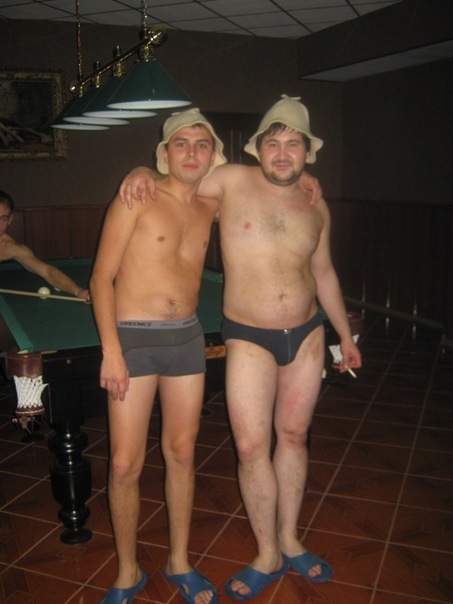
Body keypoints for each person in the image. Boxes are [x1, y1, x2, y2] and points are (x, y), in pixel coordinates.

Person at [120, 95, 362, 601]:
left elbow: (324, 273)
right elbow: (177, 179)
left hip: (308, 333)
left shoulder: (316, 203)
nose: (282, 153)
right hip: (249, 334)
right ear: (257, 149)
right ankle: (266, 552)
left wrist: (344, 335)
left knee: (293, 436)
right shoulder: (229, 181)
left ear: (307, 153)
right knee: (251, 447)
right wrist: (142, 168)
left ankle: (290, 540)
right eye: (273, 143)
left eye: (292, 144)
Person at [90, 108, 229, 604]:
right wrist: (111, 352)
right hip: (133, 339)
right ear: (165, 153)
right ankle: (128, 572)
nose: (192, 152)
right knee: (124, 464)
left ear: (213, 155)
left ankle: (179, 561)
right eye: (181, 144)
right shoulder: (137, 195)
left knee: (182, 453)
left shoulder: (212, 204)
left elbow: (265, 185)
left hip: (187, 338)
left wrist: (307, 183)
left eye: (201, 144)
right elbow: (100, 278)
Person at [0, 189, 90, 300]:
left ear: (10, 220)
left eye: (3, 218)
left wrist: (79, 291)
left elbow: (48, 272)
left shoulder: (11, 248)